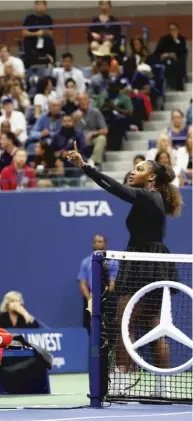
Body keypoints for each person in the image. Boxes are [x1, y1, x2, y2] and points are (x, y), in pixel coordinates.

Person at [68, 141, 183, 398]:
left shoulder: (146, 195)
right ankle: (162, 388)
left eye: (139, 168)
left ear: (151, 177)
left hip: (141, 261)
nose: (133, 171)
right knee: (155, 324)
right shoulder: (153, 198)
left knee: (124, 322)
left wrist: (85, 166)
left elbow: (115, 188)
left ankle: (120, 381)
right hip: (157, 261)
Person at [78, 234, 119, 333]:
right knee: (90, 327)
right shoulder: (86, 262)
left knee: (109, 327)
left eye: (101, 241)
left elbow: (112, 282)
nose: (99, 243)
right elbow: (83, 283)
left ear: (105, 243)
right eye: (96, 241)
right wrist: (90, 299)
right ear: (93, 244)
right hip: (91, 298)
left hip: (108, 299)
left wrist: (106, 297)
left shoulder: (113, 262)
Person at [154, 23, 188, 91]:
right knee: (169, 63)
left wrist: (176, 40)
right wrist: (166, 54)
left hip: (178, 60)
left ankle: (179, 85)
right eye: (171, 30)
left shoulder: (181, 39)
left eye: (174, 29)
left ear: (178, 30)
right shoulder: (164, 39)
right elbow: (157, 52)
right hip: (166, 59)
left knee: (178, 64)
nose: (173, 31)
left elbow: (183, 51)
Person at [22, 1, 56, 67]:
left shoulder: (48, 18)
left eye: (42, 4)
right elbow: (24, 33)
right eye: (38, 4)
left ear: (45, 7)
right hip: (31, 42)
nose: (40, 6)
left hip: (44, 42)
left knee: (50, 39)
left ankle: (52, 60)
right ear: (35, 6)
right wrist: (36, 33)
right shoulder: (29, 18)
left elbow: (51, 32)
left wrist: (44, 32)